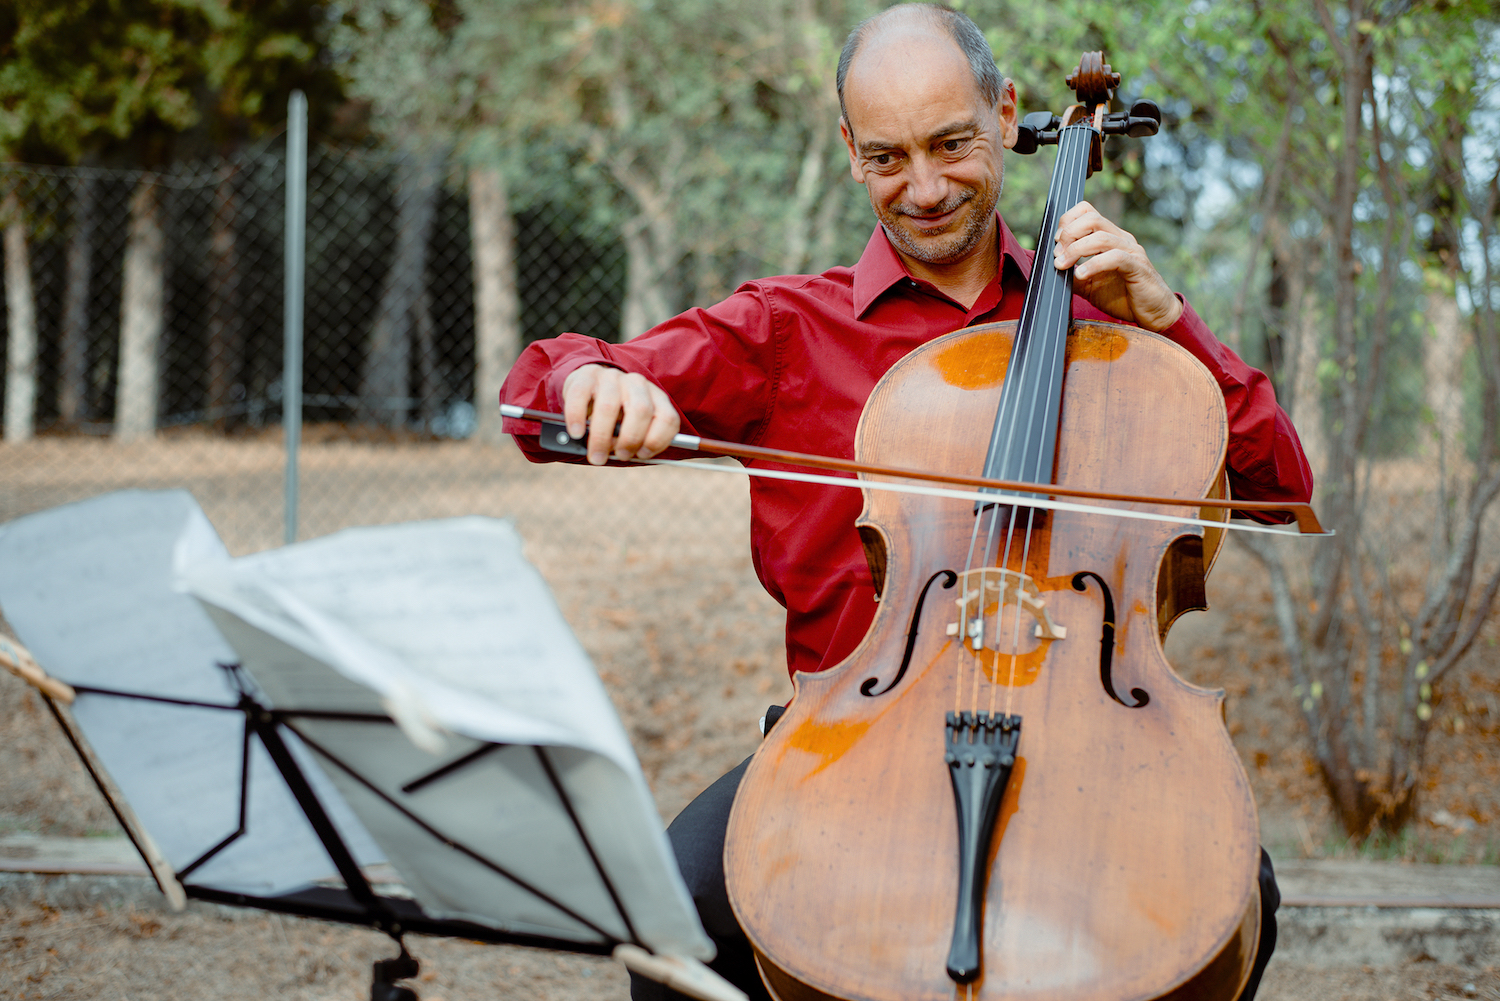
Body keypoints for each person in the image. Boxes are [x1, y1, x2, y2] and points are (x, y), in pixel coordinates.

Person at [501, 5, 1312, 1000]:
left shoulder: (1118, 342)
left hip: (1091, 737)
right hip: (850, 744)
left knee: (1230, 892)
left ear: (1007, 114)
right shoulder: (784, 330)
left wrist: (1169, 319)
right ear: (848, 151)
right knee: (669, 924)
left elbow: (1281, 490)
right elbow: (540, 392)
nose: (923, 189)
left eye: (952, 144)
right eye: (887, 156)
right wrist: (593, 382)